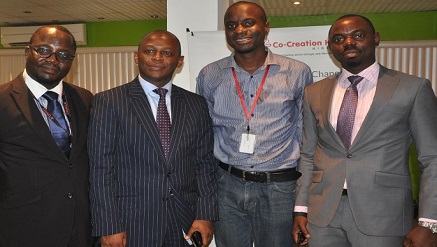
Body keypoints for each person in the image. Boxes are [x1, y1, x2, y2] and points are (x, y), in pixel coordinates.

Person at [292, 14, 437, 247]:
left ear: (376, 39)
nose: (348, 42)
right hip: (322, 215)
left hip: (383, 214)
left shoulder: (414, 88)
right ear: (330, 48)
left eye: (358, 35)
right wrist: (300, 210)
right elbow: (308, 155)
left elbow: (432, 159)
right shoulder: (314, 92)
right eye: (339, 38)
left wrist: (429, 222)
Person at [196, 2, 313, 246]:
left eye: (248, 22)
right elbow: (204, 138)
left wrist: (302, 202)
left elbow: (306, 136)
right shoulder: (210, 74)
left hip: (279, 189)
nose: (240, 29)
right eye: (231, 25)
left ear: (266, 27)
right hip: (226, 186)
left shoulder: (297, 72)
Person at [88, 30, 218, 247]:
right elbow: (101, 169)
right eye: (149, 51)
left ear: (179, 61)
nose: (157, 58)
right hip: (130, 224)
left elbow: (205, 164)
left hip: (185, 221)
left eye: (167, 53)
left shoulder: (196, 104)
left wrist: (205, 215)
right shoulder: (109, 101)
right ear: (136, 56)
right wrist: (108, 226)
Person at [0, 25, 93, 247]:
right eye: (43, 50)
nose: (53, 59)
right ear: (26, 51)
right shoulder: (2, 100)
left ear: (72, 60)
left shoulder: (85, 99)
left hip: (80, 229)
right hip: (22, 229)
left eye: (63, 55)